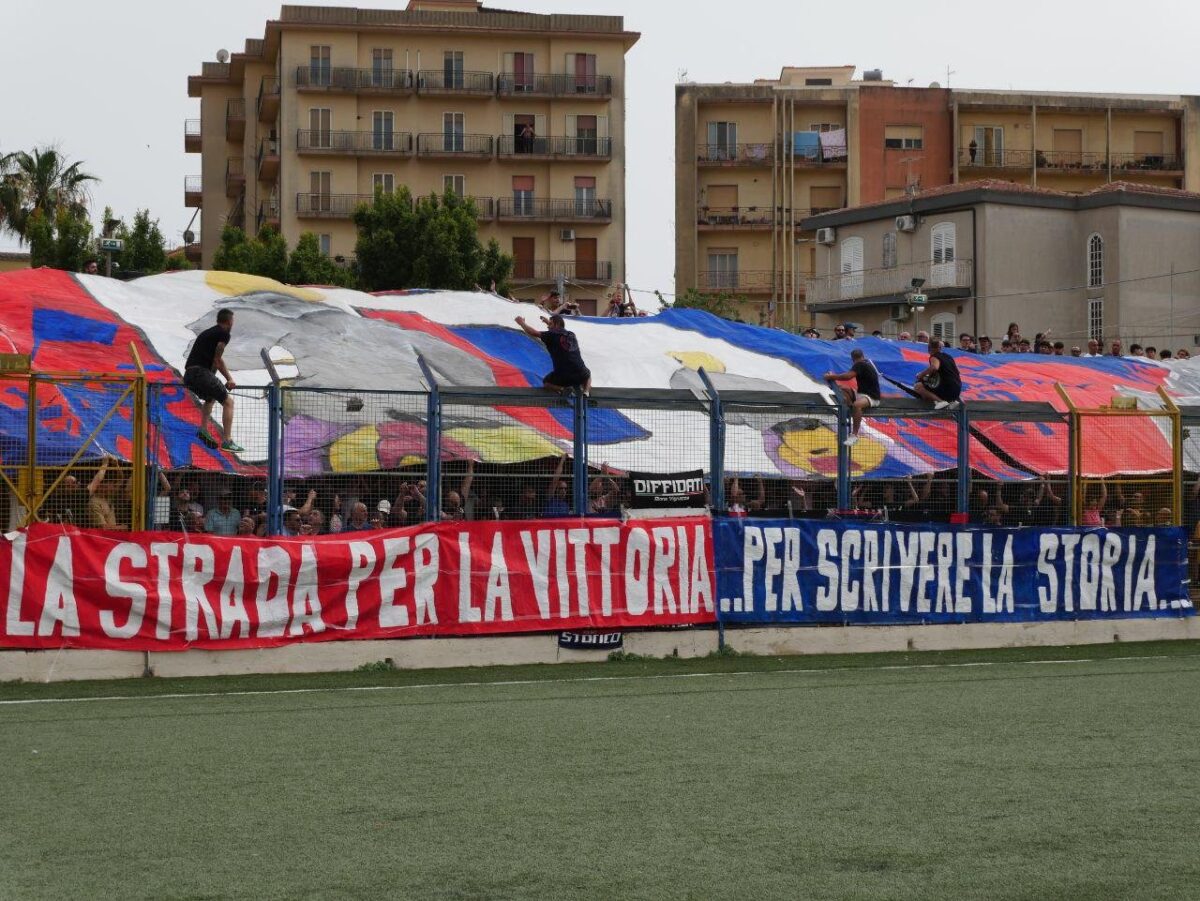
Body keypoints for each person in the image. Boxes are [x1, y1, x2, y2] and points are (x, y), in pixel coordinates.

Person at [184, 308, 244, 453]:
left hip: (189, 375)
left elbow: (212, 360)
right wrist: (229, 379)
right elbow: (218, 360)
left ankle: (203, 429)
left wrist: (213, 379)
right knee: (228, 402)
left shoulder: (208, 333)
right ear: (230, 321)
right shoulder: (224, 334)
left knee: (210, 398)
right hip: (200, 372)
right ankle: (227, 440)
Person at [515, 313, 591, 395]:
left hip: (563, 376)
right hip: (580, 373)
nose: (548, 326)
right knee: (587, 375)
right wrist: (548, 322)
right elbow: (559, 332)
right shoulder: (571, 334)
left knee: (546, 382)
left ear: (557, 324)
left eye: (550, 324)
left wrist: (521, 323)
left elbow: (533, 332)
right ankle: (586, 392)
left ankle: (563, 389)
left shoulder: (550, 336)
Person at [823, 348, 881, 446]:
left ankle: (854, 435)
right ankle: (849, 411)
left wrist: (832, 377)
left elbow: (848, 376)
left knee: (857, 405)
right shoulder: (866, 365)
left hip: (872, 397)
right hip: (861, 394)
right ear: (863, 356)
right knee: (843, 389)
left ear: (852, 359)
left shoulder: (860, 364)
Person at [913, 338, 962, 410]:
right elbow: (957, 372)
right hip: (957, 389)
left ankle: (941, 402)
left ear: (929, 348)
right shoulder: (948, 357)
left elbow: (934, 367)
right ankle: (953, 401)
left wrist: (921, 375)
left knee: (918, 386)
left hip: (948, 389)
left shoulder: (934, 356)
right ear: (940, 348)